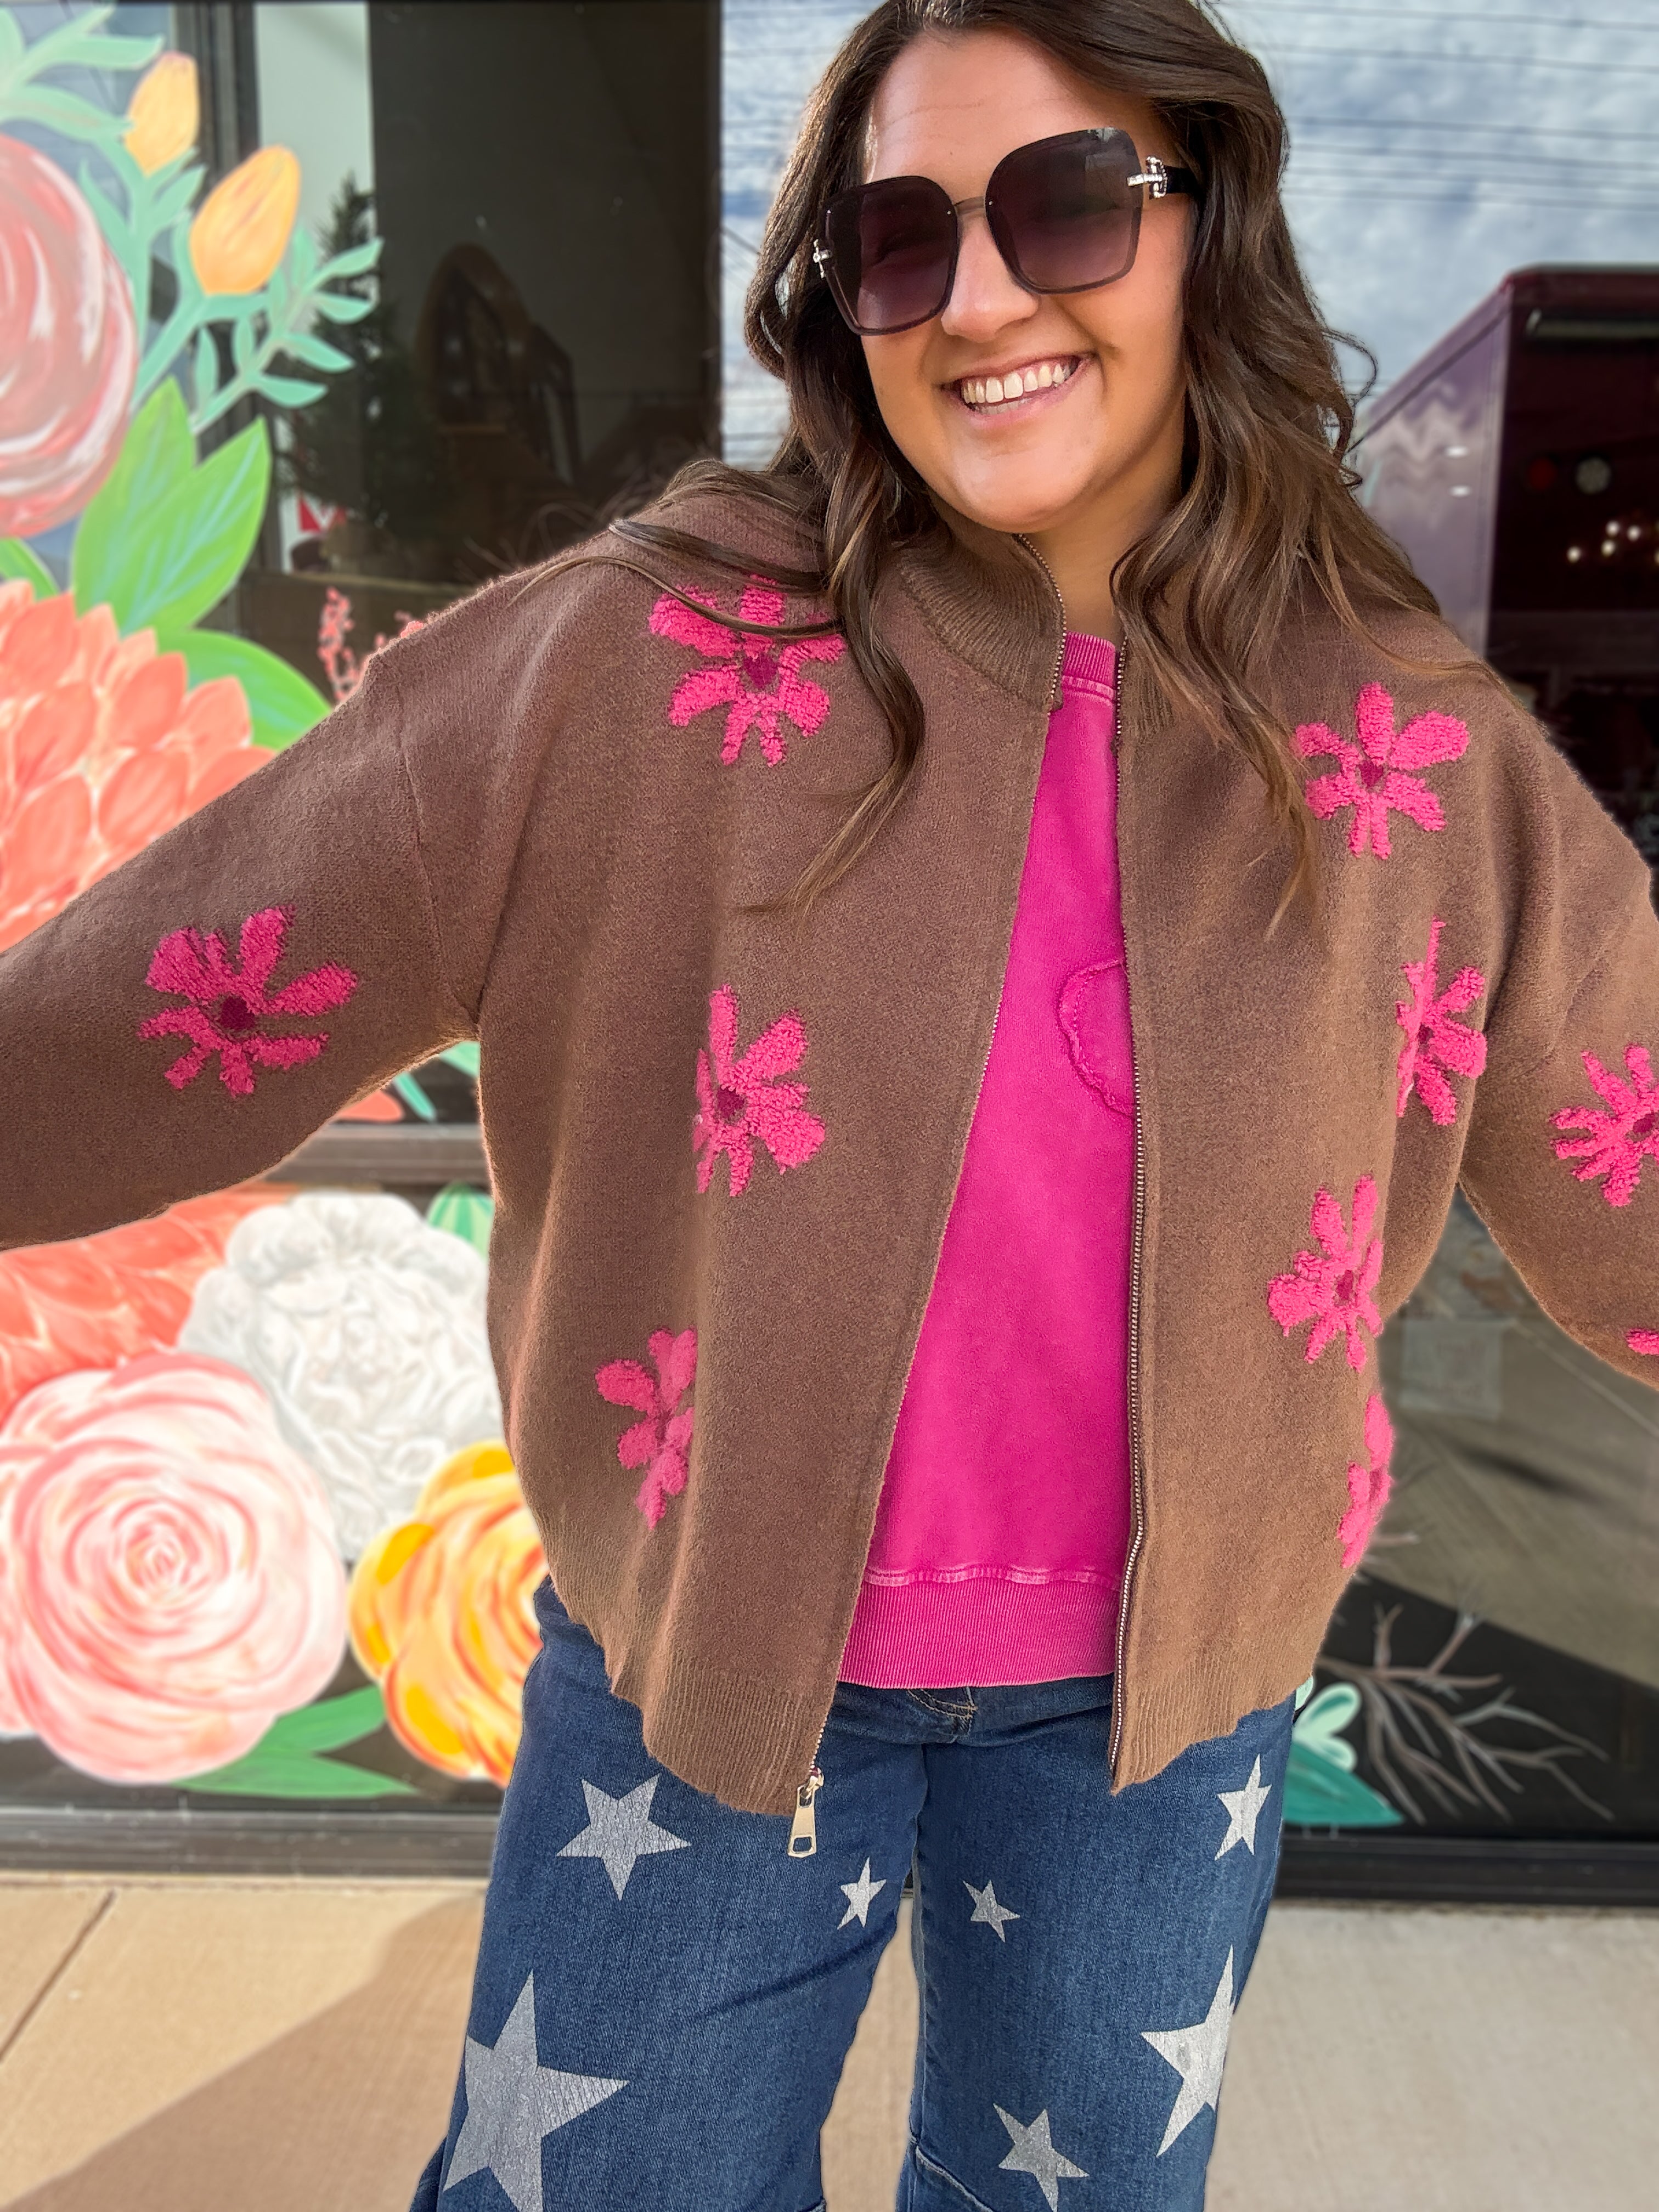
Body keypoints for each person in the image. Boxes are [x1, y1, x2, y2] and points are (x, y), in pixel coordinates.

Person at [2, 2, 1654, 2206]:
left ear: (1208, 224)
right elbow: (186, 983)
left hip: (1168, 1716)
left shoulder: (1413, 755)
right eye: (897, 240)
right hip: (698, 1679)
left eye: (1066, 204)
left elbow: (1626, 1156)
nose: (977, 297)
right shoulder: (628, 665)